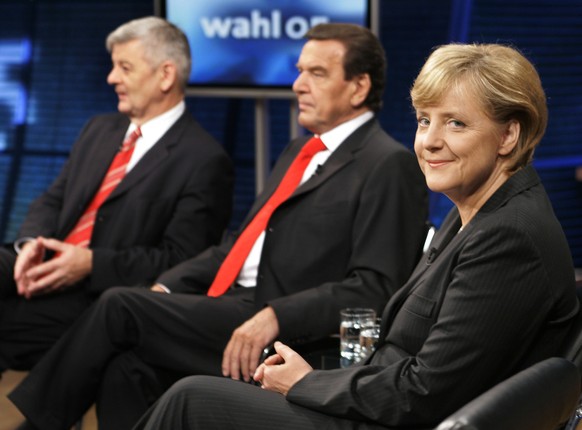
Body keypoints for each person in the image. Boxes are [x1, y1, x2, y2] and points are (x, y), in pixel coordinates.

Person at [132, 42, 579, 430]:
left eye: (456, 123)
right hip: (383, 403)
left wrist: (306, 383)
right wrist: (313, 379)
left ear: (509, 134)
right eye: (424, 121)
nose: (430, 142)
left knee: (190, 400)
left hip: (403, 420)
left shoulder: (509, 236)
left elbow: (426, 392)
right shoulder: (475, 209)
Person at [9, 23, 428, 430]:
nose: (299, 85)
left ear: (359, 87)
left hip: (285, 330)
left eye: (316, 73)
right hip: (232, 306)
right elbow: (237, 246)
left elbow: (375, 287)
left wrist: (275, 315)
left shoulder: (388, 163)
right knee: (125, 363)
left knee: (119, 306)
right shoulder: (300, 150)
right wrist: (167, 287)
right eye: (299, 71)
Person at [0, 16, 233, 371]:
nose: (112, 79)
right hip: (38, 260)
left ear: (165, 75)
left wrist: (91, 264)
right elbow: (53, 199)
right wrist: (30, 243)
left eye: (124, 68)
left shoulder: (204, 159)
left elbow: (181, 261)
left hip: (96, 292)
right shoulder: (99, 129)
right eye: (113, 67)